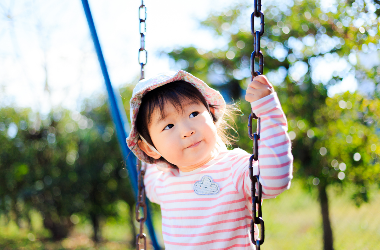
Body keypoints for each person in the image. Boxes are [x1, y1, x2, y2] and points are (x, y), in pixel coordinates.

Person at [126, 70, 293, 249]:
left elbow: (276, 180)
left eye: (193, 114)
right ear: (150, 149)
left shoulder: (233, 167)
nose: (187, 130)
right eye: (169, 125)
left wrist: (268, 112)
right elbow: (149, 173)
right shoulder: (163, 182)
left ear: (211, 113)